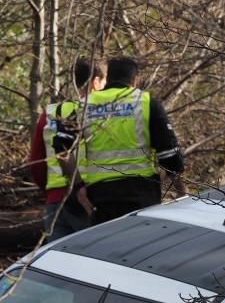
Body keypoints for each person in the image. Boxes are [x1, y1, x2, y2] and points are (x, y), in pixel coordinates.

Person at [75, 56, 186, 225]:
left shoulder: (84, 105)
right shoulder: (146, 102)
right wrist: (182, 192)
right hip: (140, 191)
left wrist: (78, 187)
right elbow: (169, 154)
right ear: (135, 79)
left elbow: (62, 150)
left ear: (108, 78)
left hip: (101, 194)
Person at [28, 58, 106, 241]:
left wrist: (49, 193)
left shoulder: (49, 114)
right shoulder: (102, 114)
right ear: (96, 82)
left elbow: (36, 164)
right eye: (105, 82)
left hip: (55, 201)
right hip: (89, 199)